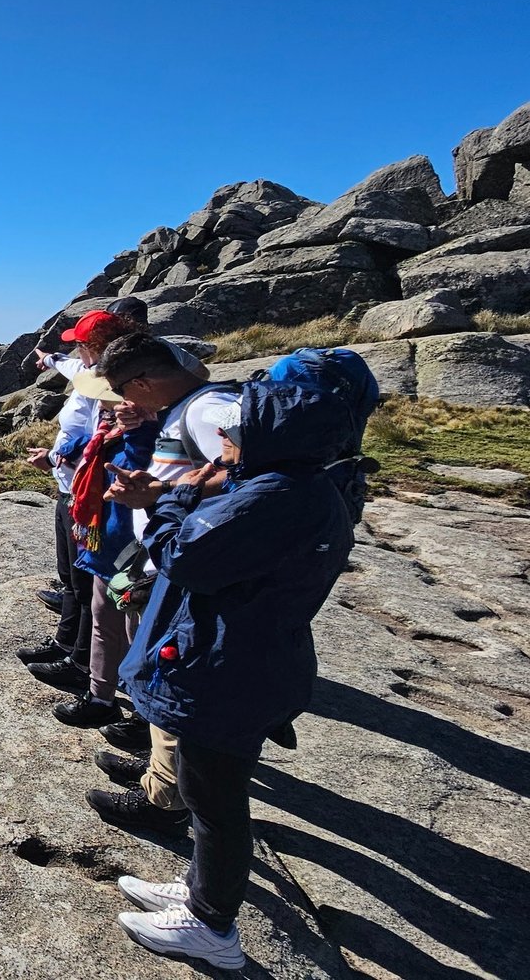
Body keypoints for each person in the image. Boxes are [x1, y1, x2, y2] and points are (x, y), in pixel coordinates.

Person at [109, 384, 355, 969]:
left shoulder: (274, 497)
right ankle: (201, 889)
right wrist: (180, 492)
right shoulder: (296, 487)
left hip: (226, 670)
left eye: (237, 430)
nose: (223, 436)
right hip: (250, 660)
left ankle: (209, 928)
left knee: (214, 800)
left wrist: (168, 504)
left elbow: (186, 557)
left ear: (274, 439)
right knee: (210, 793)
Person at [75, 330, 240, 832]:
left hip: (188, 563)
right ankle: (158, 770)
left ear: (144, 381)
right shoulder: (185, 408)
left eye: (126, 390)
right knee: (154, 666)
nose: (122, 401)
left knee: (172, 675)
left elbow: (250, 475)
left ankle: (164, 802)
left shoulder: (208, 410)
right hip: (168, 558)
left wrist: (162, 494)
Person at [17, 310, 135, 688]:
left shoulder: (112, 389)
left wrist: (53, 456)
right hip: (70, 488)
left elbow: (99, 439)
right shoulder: (92, 374)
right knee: (70, 576)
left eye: (80, 345)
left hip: (88, 496)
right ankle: (65, 643)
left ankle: (81, 664)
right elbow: (72, 369)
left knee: (86, 584)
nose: (77, 352)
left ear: (94, 347)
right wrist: (49, 359)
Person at [51, 396, 155, 729]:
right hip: (106, 548)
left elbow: (141, 466)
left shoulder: (153, 437)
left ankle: (142, 715)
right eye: (107, 408)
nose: (110, 413)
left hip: (136, 555)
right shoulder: (106, 435)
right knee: (103, 624)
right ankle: (100, 698)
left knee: (137, 634)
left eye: (119, 407)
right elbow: (78, 449)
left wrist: (138, 430)